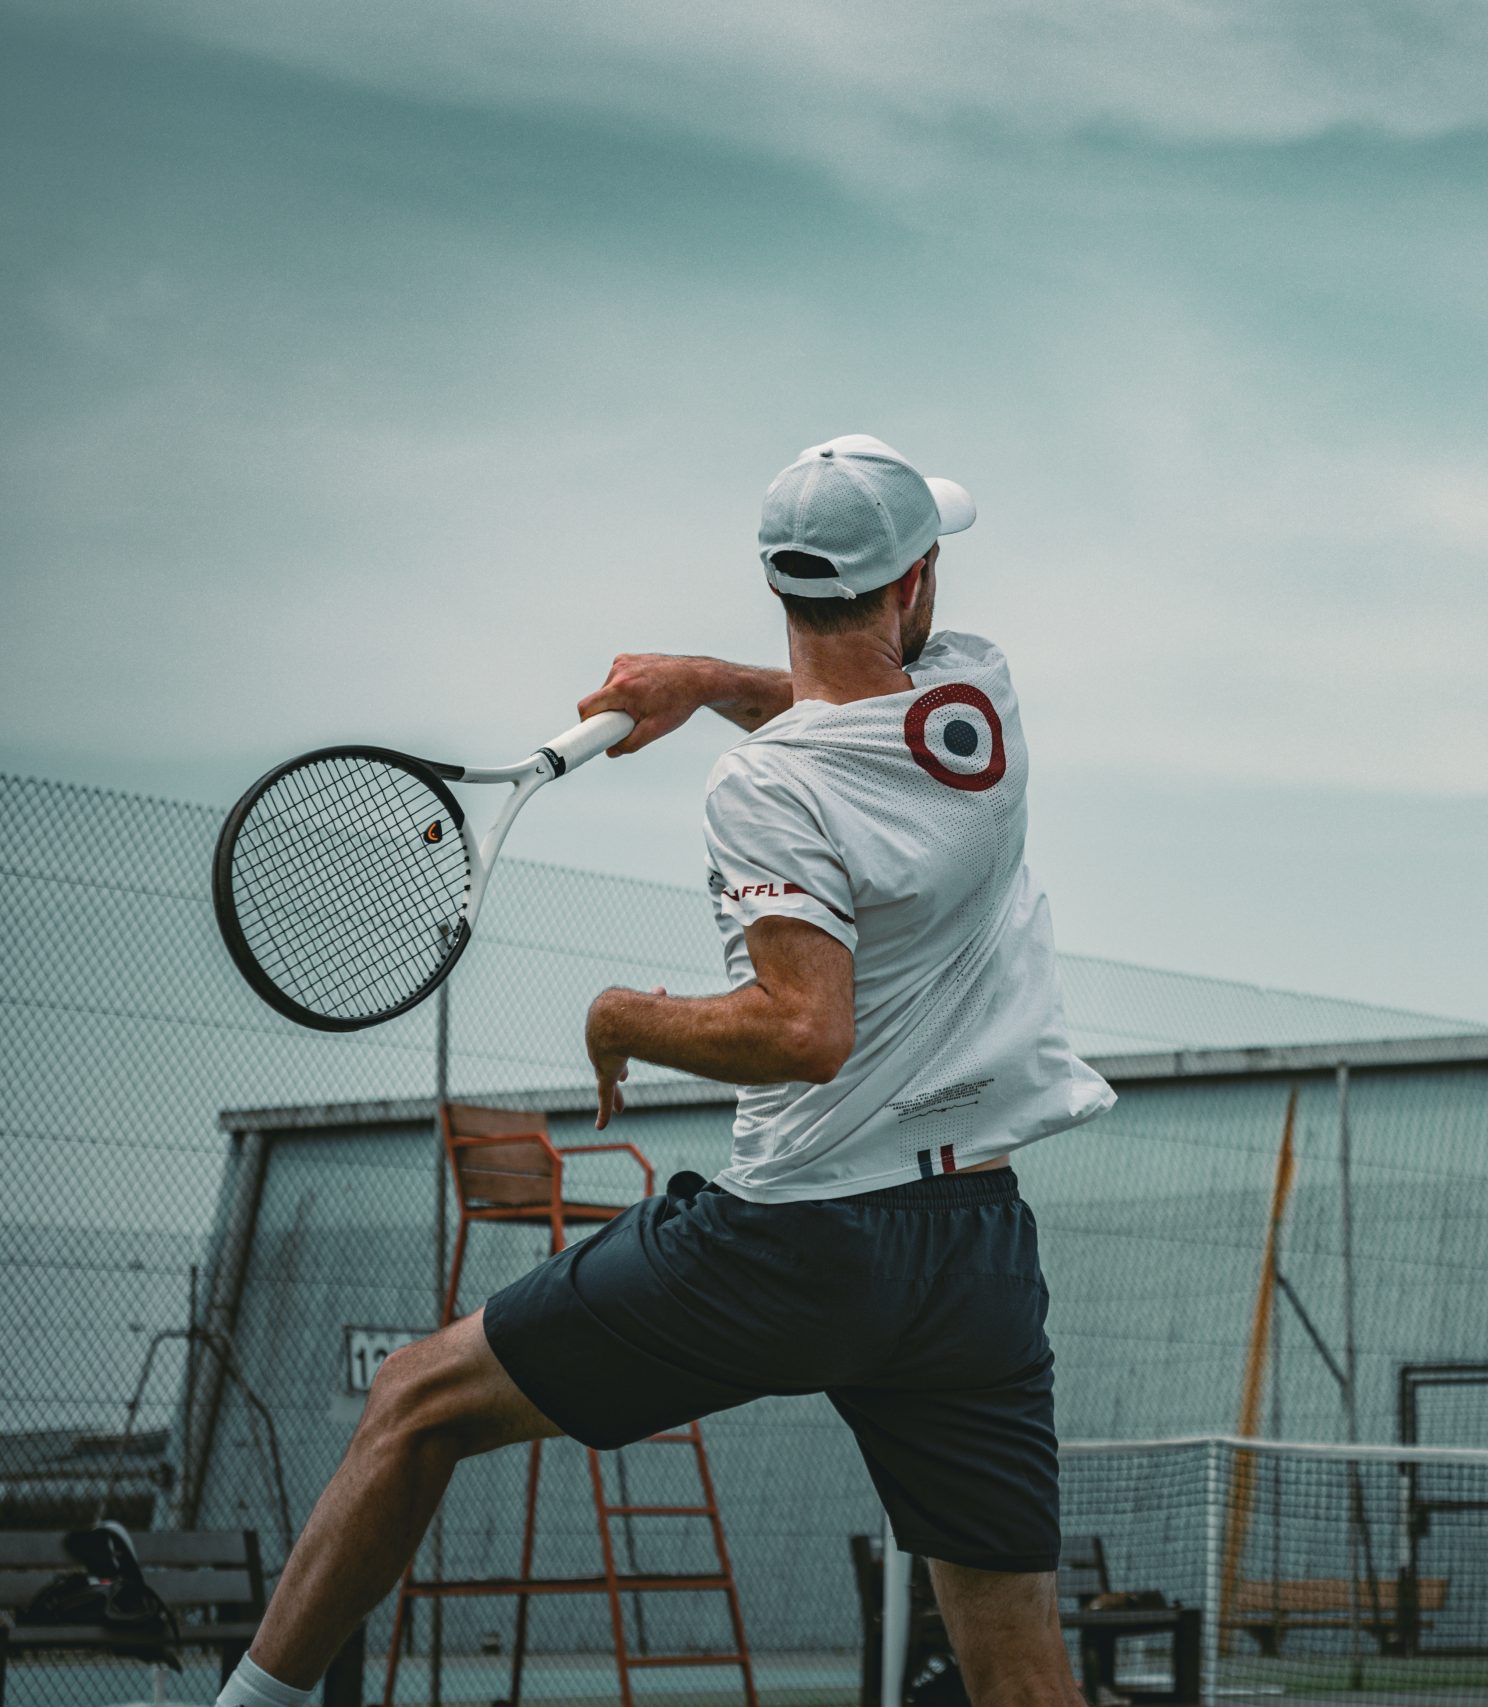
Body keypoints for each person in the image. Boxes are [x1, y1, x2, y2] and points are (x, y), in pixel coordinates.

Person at [213, 436, 1115, 1707]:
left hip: (803, 1247)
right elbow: (847, 707)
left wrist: (624, 1017)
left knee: (415, 1402)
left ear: (778, 583)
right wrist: (701, 682)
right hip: (974, 1257)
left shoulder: (768, 789)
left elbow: (803, 1031)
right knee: (1020, 1671)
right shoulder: (977, 703)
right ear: (913, 586)